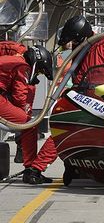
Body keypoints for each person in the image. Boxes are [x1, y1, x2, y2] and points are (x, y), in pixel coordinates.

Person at [0, 45, 58, 184]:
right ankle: (30, 170)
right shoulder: (22, 66)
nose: (37, 74)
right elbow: (20, 97)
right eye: (38, 71)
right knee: (29, 125)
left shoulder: (13, 57)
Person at [57, 16, 104, 86]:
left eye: (74, 41)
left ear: (83, 37)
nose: (72, 45)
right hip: (86, 93)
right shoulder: (82, 50)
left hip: (102, 95)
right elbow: (78, 75)